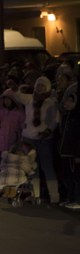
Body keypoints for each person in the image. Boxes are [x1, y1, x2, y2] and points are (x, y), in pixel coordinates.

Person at [14, 75, 60, 204]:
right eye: (38, 85)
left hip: (43, 139)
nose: (39, 88)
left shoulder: (51, 101)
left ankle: (54, 195)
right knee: (32, 168)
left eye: (42, 86)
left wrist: (48, 131)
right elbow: (17, 95)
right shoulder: (30, 99)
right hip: (29, 138)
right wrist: (18, 88)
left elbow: (55, 119)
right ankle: (35, 194)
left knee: (47, 167)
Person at [58, 78, 80, 210]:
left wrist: (78, 153)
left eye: (70, 101)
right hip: (65, 151)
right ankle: (70, 198)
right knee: (67, 177)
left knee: (76, 178)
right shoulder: (67, 116)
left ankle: (77, 199)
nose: (67, 103)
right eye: (66, 100)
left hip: (73, 152)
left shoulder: (77, 117)